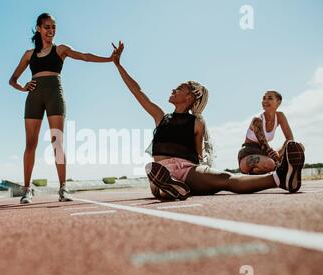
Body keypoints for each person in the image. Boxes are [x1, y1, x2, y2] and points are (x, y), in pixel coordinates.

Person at [111, 41, 305, 200]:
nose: (173, 90)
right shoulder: (160, 116)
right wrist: (118, 65)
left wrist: (205, 174)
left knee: (225, 178)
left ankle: (280, 178)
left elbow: (197, 154)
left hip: (189, 170)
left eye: (179, 89)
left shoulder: (197, 123)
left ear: (189, 98)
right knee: (156, 177)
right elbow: (137, 91)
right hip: (162, 169)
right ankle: (170, 186)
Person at [9, 13, 114, 204]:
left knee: (57, 141)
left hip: (54, 96)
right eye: (47, 27)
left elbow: (84, 57)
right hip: (34, 98)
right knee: (30, 144)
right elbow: (12, 80)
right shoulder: (29, 54)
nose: (51, 31)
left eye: (53, 27)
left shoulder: (61, 50)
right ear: (39, 29)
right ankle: (27, 190)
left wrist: (109, 59)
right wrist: (23, 87)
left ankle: (63, 188)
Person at [238, 90, 295, 174]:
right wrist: (276, 158)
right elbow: (265, 146)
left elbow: (289, 138)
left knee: (296, 147)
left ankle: (258, 172)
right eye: (264, 98)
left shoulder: (280, 116)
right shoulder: (257, 120)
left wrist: (279, 153)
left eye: (270, 98)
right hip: (248, 155)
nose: (265, 101)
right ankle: (276, 169)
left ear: (278, 102)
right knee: (270, 164)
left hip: (265, 154)